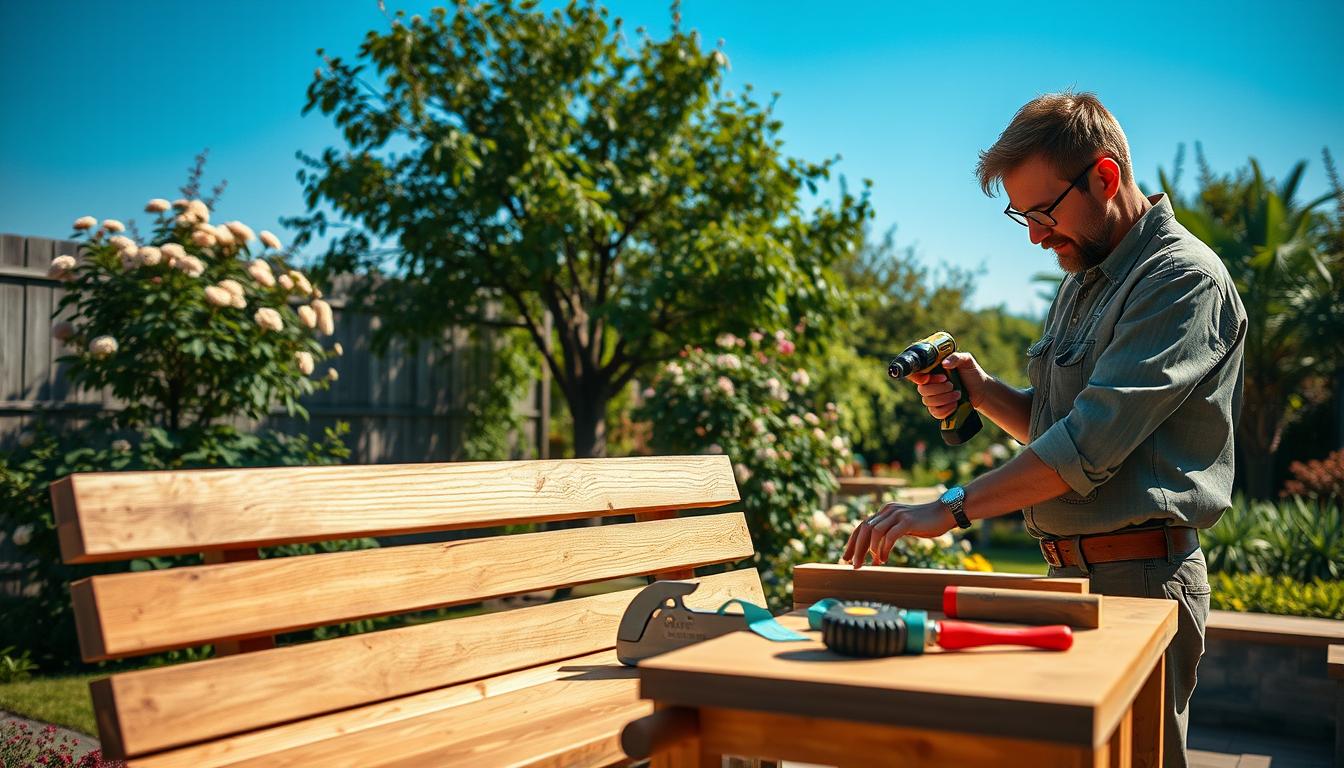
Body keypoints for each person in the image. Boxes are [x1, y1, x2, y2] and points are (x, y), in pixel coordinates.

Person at [842, 91, 1246, 767]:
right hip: (1070, 580)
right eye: (1020, 216)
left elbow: (1086, 446)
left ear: (1106, 177)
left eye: (1042, 212)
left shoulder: (1181, 280)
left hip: (1138, 582)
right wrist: (983, 391)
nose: (1033, 234)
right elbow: (1054, 427)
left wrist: (950, 507)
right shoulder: (1084, 278)